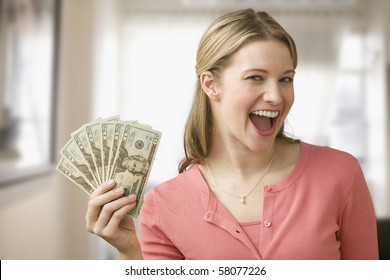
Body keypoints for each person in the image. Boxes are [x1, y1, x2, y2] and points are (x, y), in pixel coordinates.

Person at [85, 8, 378, 260]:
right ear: (211, 85)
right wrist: (131, 254)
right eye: (256, 78)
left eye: (286, 79)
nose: (276, 96)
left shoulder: (341, 174)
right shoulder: (164, 206)